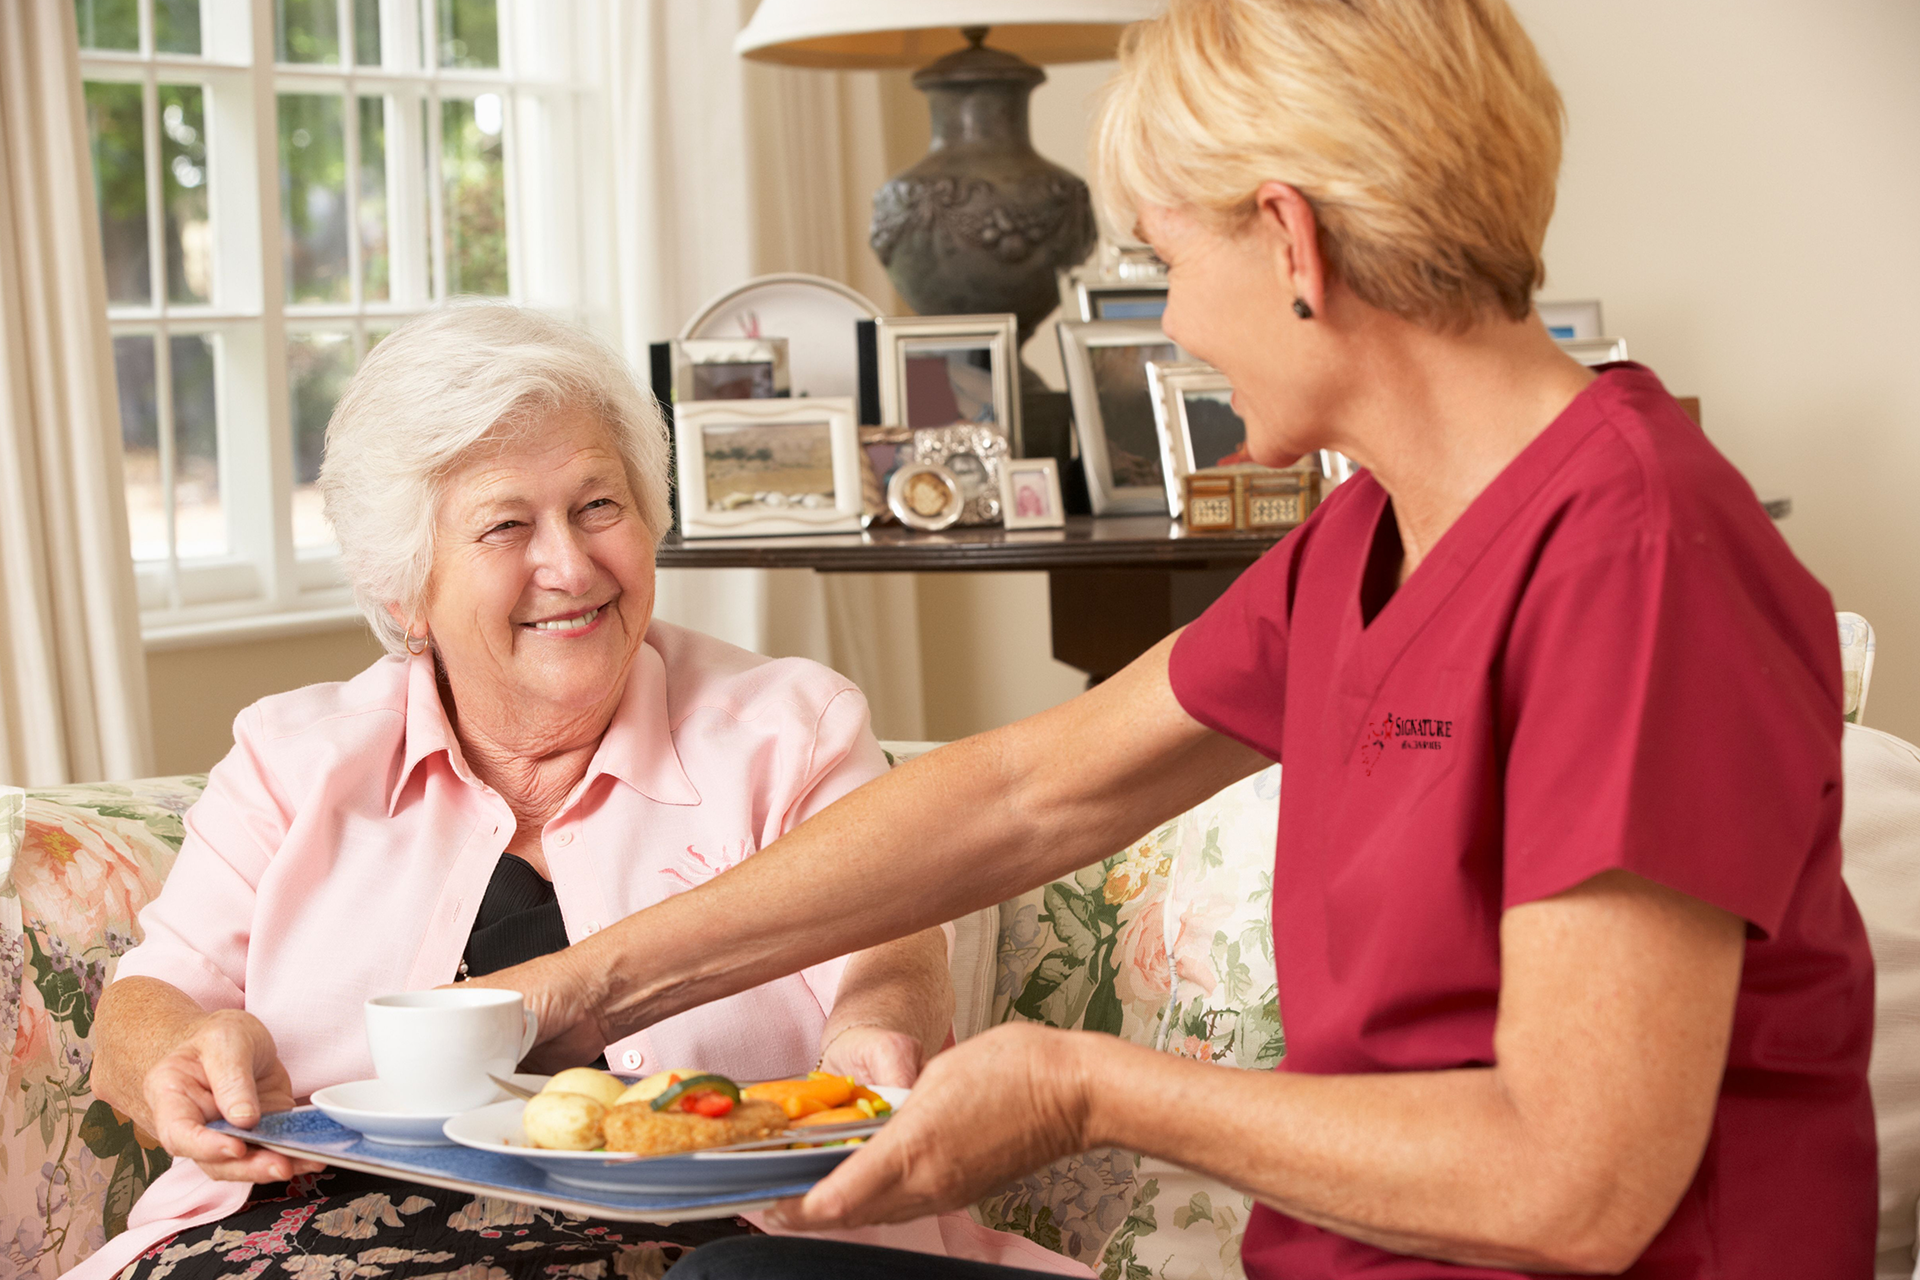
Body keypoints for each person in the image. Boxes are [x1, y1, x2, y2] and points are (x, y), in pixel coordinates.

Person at [472, 3, 1878, 1278]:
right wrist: (580, 989)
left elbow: (1577, 1188)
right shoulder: (1372, 537)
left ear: (1291, 241)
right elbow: (1028, 791)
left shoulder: (1641, 556)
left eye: (1160, 260)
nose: (1171, 324)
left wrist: (1087, 1090)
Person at [71, 303, 978, 1280]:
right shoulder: (293, 756)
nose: (572, 565)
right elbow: (146, 1006)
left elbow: (893, 932)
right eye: (507, 524)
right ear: (404, 591)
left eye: (599, 505)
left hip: (698, 1233)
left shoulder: (786, 729)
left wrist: (872, 1025)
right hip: (289, 1240)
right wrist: (185, 1049)